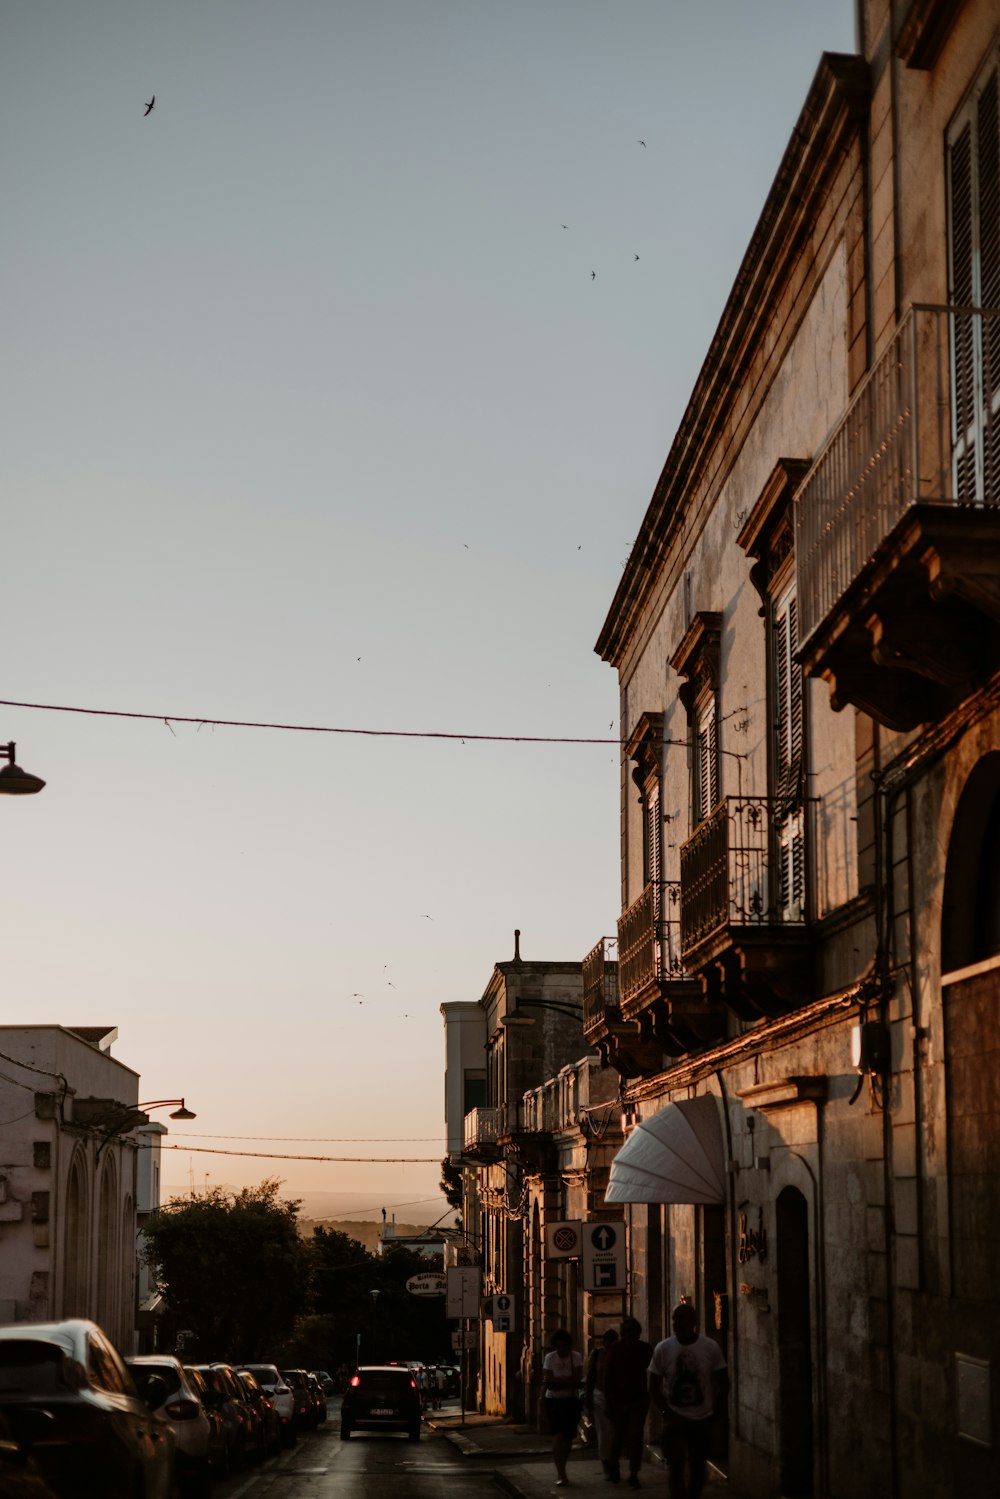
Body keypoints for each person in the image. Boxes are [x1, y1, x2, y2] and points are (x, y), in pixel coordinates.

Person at [647, 1303, 728, 1499]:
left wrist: (714, 1413)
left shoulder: (710, 1347)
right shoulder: (663, 1348)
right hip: (675, 1419)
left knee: (698, 1466)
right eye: (674, 1318)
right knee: (675, 1465)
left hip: (702, 1419)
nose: (676, 1323)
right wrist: (666, 1413)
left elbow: (723, 1382)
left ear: (693, 1321)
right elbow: (653, 1384)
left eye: (681, 1318)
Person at [604, 1316, 654, 1487]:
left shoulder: (645, 1349)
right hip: (618, 1400)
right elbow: (608, 1377)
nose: (630, 1334)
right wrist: (608, 1402)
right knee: (618, 1437)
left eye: (633, 1331)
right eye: (627, 1331)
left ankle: (633, 1473)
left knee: (635, 1436)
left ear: (639, 1333)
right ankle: (614, 1465)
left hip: (638, 1399)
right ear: (623, 1333)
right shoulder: (615, 1349)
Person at [542, 1328, 584, 1487]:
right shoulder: (550, 1358)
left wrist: (559, 1383)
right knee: (558, 1436)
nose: (561, 1350)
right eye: (558, 1346)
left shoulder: (576, 1357)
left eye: (564, 1346)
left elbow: (578, 1379)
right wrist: (568, 1382)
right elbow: (549, 1384)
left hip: (571, 1401)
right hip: (554, 1402)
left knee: (568, 1439)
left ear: (568, 1346)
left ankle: (563, 1466)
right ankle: (561, 1473)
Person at [583, 1328, 618, 1476]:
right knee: (603, 1433)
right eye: (607, 1342)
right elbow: (591, 1376)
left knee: (615, 1433)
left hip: (617, 1398)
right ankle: (606, 1464)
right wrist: (588, 1400)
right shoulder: (597, 1354)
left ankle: (613, 1462)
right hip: (600, 1397)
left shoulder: (620, 1354)